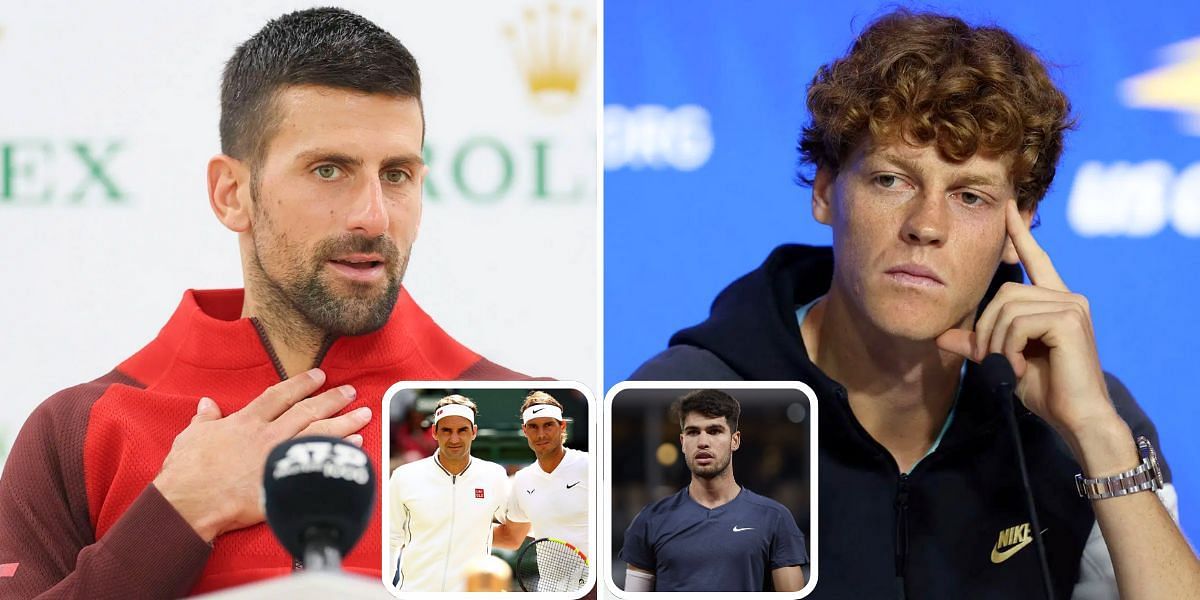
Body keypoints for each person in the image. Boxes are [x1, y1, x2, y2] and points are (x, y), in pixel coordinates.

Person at [631, 9, 1200, 598]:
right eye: (891, 180)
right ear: (826, 190)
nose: (926, 226)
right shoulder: (673, 408)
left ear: (1019, 226)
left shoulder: (1085, 419)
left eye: (971, 195)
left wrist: (1097, 436)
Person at [0, 8, 524, 598]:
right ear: (231, 194)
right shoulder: (80, 430)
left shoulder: (524, 418)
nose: (374, 216)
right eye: (329, 170)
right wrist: (178, 512)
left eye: (397, 174)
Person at [618, 390, 807, 592]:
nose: (703, 442)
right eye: (693, 432)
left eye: (714, 431)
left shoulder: (774, 518)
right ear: (683, 442)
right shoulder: (649, 520)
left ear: (735, 440)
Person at [388, 395, 510, 592]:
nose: (454, 439)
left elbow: (516, 528)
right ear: (435, 432)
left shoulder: (495, 475)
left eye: (462, 430)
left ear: (474, 432)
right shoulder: (404, 476)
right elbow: (391, 538)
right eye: (446, 430)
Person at [493, 391, 591, 591]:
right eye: (533, 427)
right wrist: (461, 528)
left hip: (593, 588)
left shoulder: (591, 466)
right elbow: (512, 537)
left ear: (562, 426)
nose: (541, 435)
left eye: (548, 425)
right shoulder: (522, 480)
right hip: (550, 590)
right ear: (525, 430)